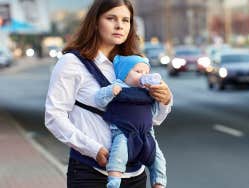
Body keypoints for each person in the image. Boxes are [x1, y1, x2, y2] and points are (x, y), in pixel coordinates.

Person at [44, 0, 172, 187]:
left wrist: (165, 100)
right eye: (111, 18)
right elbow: (54, 117)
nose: (120, 25)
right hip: (91, 173)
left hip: (135, 175)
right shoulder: (72, 63)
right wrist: (93, 149)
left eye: (126, 20)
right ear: (95, 22)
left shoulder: (137, 66)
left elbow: (151, 120)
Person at [94, 55, 166, 188]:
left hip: (146, 134)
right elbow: (98, 100)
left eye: (146, 72)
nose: (143, 75)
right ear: (124, 74)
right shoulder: (118, 86)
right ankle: (114, 180)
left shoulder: (148, 91)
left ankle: (159, 182)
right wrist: (111, 91)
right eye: (138, 72)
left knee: (158, 158)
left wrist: (162, 98)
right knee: (118, 153)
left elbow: (155, 114)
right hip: (124, 132)